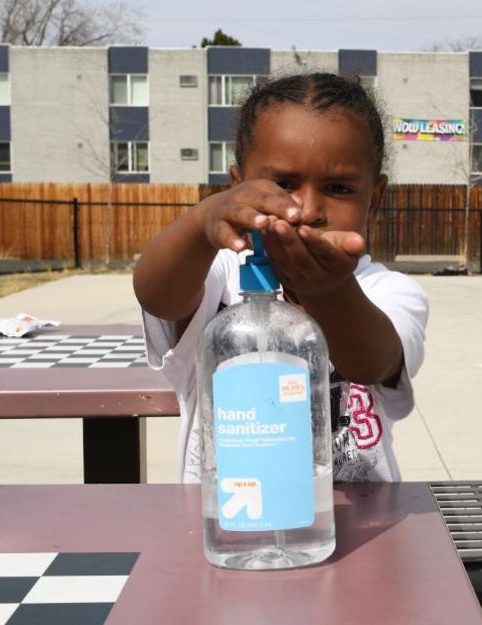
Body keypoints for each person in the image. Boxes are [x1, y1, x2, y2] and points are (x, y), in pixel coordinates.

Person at [134, 73, 430, 483]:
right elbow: (158, 296)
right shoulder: (220, 275)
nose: (306, 209)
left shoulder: (389, 291)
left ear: (374, 201)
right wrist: (203, 221)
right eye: (283, 184)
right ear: (237, 187)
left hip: (365, 528)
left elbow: (373, 362)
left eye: (339, 188)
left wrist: (326, 292)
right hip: (232, 526)